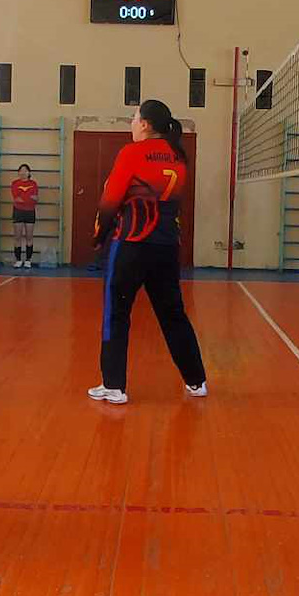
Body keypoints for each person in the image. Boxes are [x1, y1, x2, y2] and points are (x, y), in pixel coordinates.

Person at [87, 98, 208, 403]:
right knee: (173, 314)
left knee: (116, 314)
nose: (131, 123)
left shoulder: (132, 152)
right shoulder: (178, 156)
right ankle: (196, 381)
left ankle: (114, 385)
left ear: (145, 124)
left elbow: (111, 199)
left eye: (133, 117)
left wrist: (99, 237)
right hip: (166, 247)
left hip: (131, 244)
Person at [10, 164, 41, 268]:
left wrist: (28, 198)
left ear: (29, 173)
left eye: (25, 170)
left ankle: (28, 260)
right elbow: (17, 198)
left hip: (30, 211)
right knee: (17, 236)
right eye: (21, 170)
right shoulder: (15, 183)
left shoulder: (33, 184)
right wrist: (28, 198)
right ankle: (18, 260)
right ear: (18, 172)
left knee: (29, 236)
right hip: (18, 211)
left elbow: (35, 198)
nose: (23, 172)